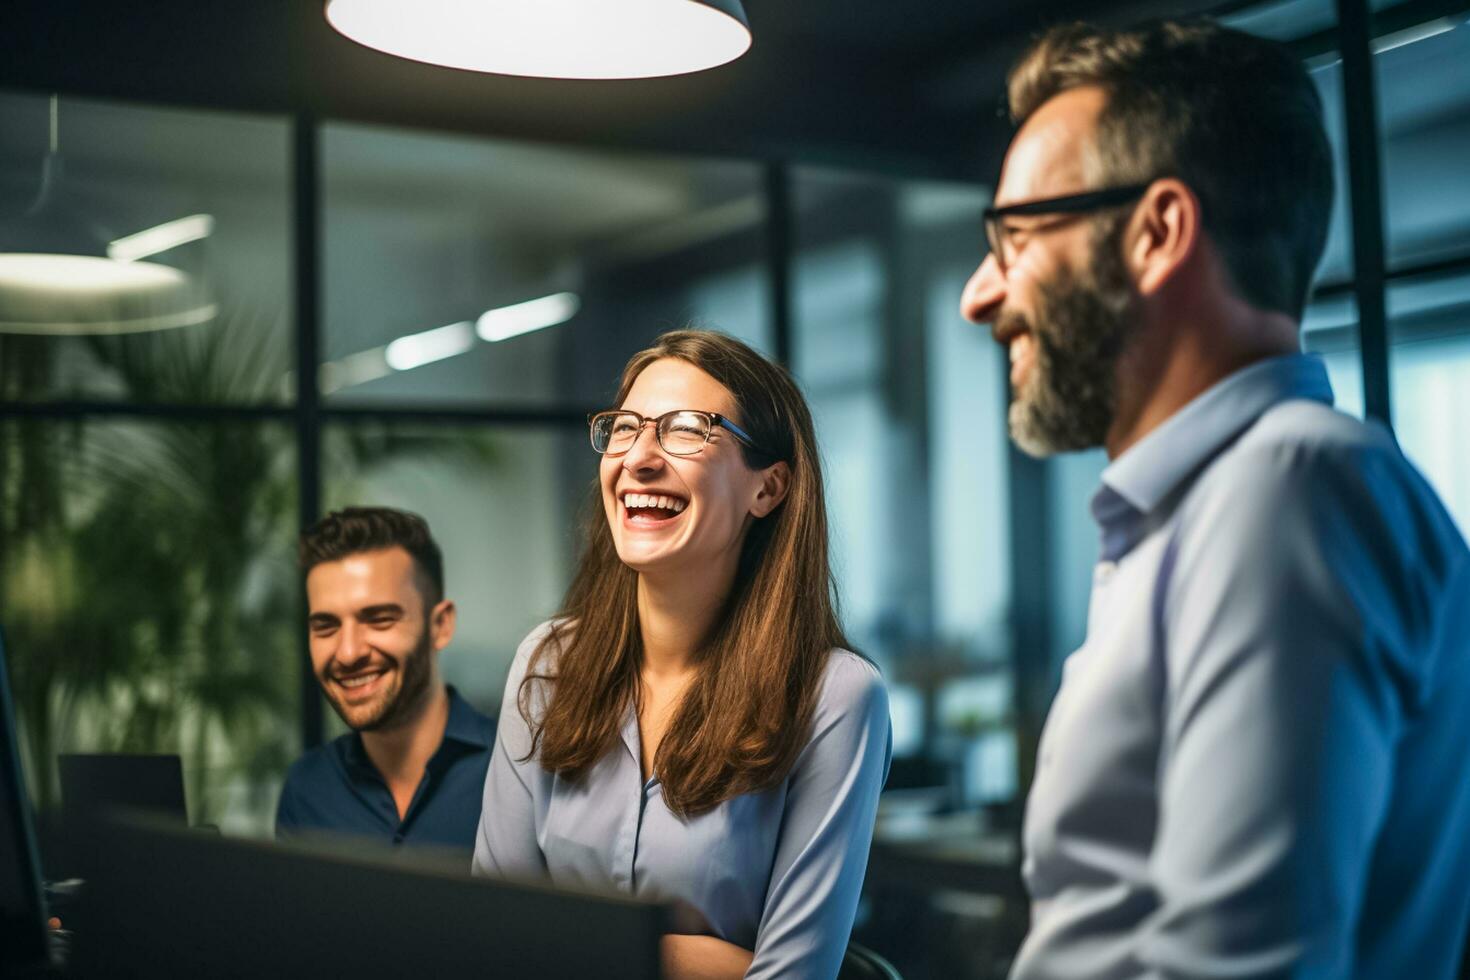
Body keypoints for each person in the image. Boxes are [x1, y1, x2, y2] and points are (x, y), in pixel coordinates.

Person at [959, 18, 1470, 978]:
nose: (979, 296)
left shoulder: (1288, 491)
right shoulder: (1201, 512)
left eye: (1018, 235)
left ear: (1158, 233)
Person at [473, 330, 892, 980]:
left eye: (687, 429)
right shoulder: (547, 664)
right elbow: (490, 940)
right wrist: (688, 958)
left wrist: (584, 945)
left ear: (769, 489)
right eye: (625, 428)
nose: (638, 457)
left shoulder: (835, 697)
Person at [276, 506, 496, 854]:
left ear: (440, 625)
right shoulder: (307, 790)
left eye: (378, 619)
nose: (348, 653)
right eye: (326, 626)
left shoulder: (511, 770)